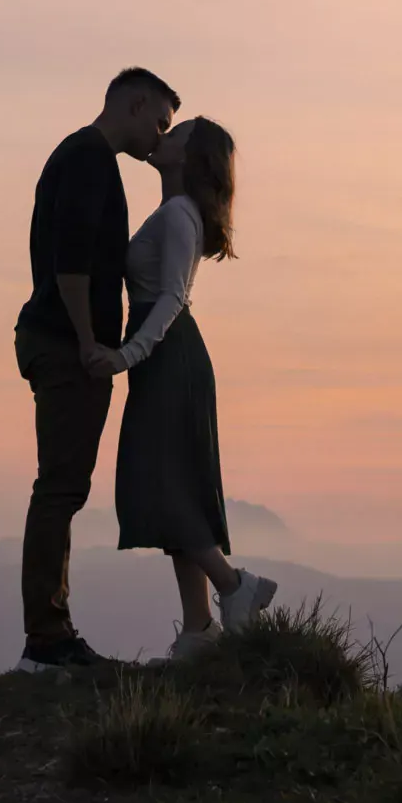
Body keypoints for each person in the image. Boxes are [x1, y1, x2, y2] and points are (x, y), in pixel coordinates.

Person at [13, 67, 178, 672]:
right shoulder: (88, 159)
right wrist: (88, 341)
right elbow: (73, 261)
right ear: (133, 104)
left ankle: (50, 635)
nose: (160, 138)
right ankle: (48, 641)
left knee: (62, 487)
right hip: (64, 343)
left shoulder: (82, 157)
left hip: (52, 338)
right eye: (159, 122)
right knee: (59, 488)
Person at [111, 116, 276, 660]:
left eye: (175, 133)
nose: (165, 137)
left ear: (190, 155)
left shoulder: (180, 215)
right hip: (164, 355)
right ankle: (199, 629)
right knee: (170, 482)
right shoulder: (174, 212)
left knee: (163, 482)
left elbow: (173, 297)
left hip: (168, 353)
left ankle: (233, 587)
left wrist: (128, 353)